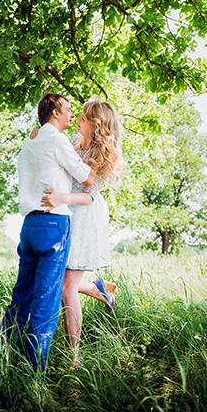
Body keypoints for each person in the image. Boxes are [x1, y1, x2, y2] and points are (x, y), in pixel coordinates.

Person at [1, 93, 95, 377]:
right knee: (46, 300)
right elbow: (88, 178)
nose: (71, 116)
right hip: (53, 225)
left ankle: (4, 355)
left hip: (29, 227)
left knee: (22, 295)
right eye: (67, 110)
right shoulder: (56, 140)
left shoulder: (29, 143)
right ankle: (34, 377)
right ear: (54, 112)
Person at [38, 99, 125, 365]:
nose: (77, 119)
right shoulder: (75, 141)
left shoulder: (103, 153)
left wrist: (62, 197)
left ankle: (72, 358)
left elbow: (89, 197)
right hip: (62, 212)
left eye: (84, 118)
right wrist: (38, 132)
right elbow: (53, 140)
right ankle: (100, 290)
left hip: (85, 217)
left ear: (96, 124)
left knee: (66, 288)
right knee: (64, 282)